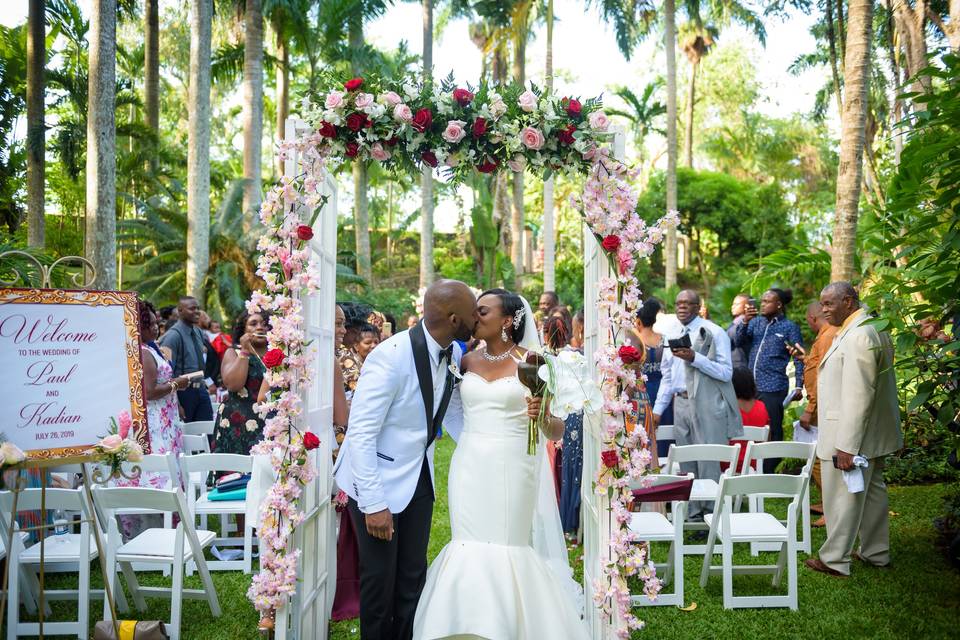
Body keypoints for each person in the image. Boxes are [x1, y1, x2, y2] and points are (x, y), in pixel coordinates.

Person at [413, 288, 587, 640]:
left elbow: (556, 429)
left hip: (514, 464)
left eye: (483, 312)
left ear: (508, 320)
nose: (475, 317)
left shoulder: (535, 361)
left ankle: (511, 627)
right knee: (467, 540)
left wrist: (540, 418)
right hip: (470, 462)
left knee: (508, 542)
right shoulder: (464, 361)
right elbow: (452, 412)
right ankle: (464, 626)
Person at [334, 280, 477, 640]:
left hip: (419, 478)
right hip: (375, 480)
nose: (479, 316)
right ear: (455, 318)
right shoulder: (390, 356)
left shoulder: (453, 353)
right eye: (474, 311)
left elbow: (451, 415)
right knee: (379, 581)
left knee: (412, 576)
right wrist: (374, 504)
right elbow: (361, 435)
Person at [805, 282, 902, 578]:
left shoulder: (859, 334)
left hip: (850, 433)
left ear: (848, 301)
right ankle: (876, 552)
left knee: (842, 496)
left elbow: (859, 393)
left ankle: (835, 559)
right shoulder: (871, 326)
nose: (823, 310)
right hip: (872, 432)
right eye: (822, 304)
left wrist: (847, 445)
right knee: (872, 493)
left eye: (828, 304)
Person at [653, 290, 742, 518]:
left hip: (707, 402)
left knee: (708, 460)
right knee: (686, 460)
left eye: (688, 303)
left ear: (697, 306)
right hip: (680, 403)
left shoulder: (714, 332)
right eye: (678, 303)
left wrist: (695, 359)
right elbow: (667, 376)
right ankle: (692, 513)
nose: (682, 307)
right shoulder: (671, 332)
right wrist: (658, 409)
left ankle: (712, 515)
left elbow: (725, 373)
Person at [117, 300, 190, 537]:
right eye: (152, 322)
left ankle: (161, 530)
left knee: (160, 473)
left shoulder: (151, 349)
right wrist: (177, 384)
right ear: (141, 325)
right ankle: (160, 532)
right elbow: (149, 392)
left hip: (165, 421)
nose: (157, 326)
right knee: (160, 475)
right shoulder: (145, 353)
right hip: (156, 424)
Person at [736, 287, 804, 472]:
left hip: (774, 386)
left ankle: (769, 469)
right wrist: (744, 321)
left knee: (773, 428)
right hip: (752, 386)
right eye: (762, 301)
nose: (763, 305)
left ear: (779, 305)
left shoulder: (789, 327)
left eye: (767, 301)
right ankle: (750, 466)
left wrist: (799, 385)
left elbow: (799, 357)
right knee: (750, 427)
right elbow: (739, 342)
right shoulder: (756, 322)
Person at [791, 301, 840, 526]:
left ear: (812, 318)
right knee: (819, 458)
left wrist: (810, 410)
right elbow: (819, 365)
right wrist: (805, 359)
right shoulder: (825, 334)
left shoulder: (828, 335)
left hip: (821, 405)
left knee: (821, 459)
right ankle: (825, 501)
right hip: (819, 403)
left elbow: (825, 377)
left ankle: (831, 508)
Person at [212, 310, 269, 455]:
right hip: (236, 423)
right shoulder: (233, 353)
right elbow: (233, 385)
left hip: (269, 423)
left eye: (265, 324)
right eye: (253, 323)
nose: (260, 327)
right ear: (243, 330)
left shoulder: (277, 355)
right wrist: (244, 350)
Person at [544, 315, 581, 532]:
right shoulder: (575, 355)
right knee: (570, 468)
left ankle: (558, 513)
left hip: (554, 413)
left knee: (556, 466)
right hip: (573, 414)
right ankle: (571, 516)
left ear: (546, 334)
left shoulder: (543, 358)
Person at [158, 296, 214, 422]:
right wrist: (177, 404)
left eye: (198, 308)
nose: (197, 311)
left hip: (201, 389)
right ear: (180, 311)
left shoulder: (198, 332)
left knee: (208, 432)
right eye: (192, 308)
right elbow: (166, 373)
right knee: (188, 436)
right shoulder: (173, 336)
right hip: (183, 394)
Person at [634, 298, 673, 457]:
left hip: (641, 392)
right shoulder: (664, 340)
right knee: (666, 433)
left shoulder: (634, 342)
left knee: (644, 434)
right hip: (665, 392)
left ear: (638, 321)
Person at [727, 294, 751, 369]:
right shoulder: (736, 322)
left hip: (740, 365)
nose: (733, 306)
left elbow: (728, 338)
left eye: (736, 304)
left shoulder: (743, 323)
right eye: (733, 304)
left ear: (746, 307)